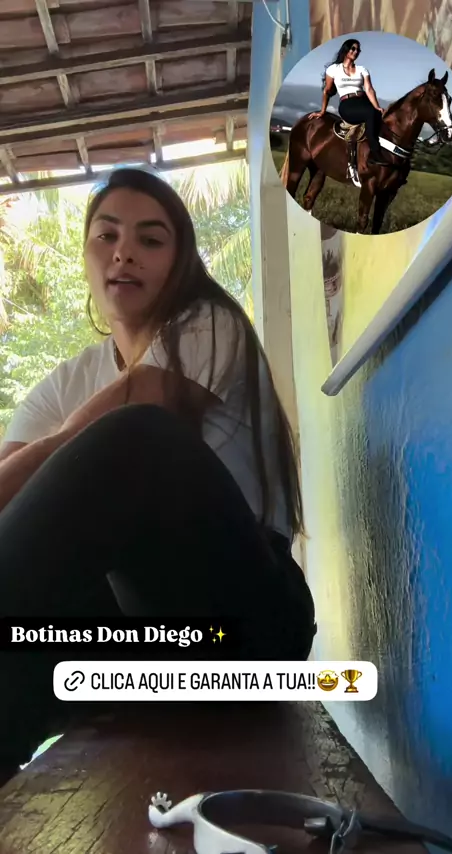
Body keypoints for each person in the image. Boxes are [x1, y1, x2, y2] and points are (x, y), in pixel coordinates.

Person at [0, 165, 316, 784]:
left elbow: (101, 431)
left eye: (150, 239)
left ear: (180, 260)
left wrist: (60, 450)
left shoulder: (210, 323)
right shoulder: (65, 380)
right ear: (86, 255)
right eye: (107, 235)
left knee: (136, 434)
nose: (125, 252)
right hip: (143, 644)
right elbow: (15, 492)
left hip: (245, 631)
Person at [309, 38, 390, 166]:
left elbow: (369, 89)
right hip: (347, 104)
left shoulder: (362, 69)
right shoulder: (333, 69)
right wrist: (322, 111)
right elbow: (327, 91)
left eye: (358, 50)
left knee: (380, 115)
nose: (356, 52)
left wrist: (377, 107)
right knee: (370, 113)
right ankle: (374, 154)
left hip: (363, 101)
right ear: (346, 50)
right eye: (353, 48)